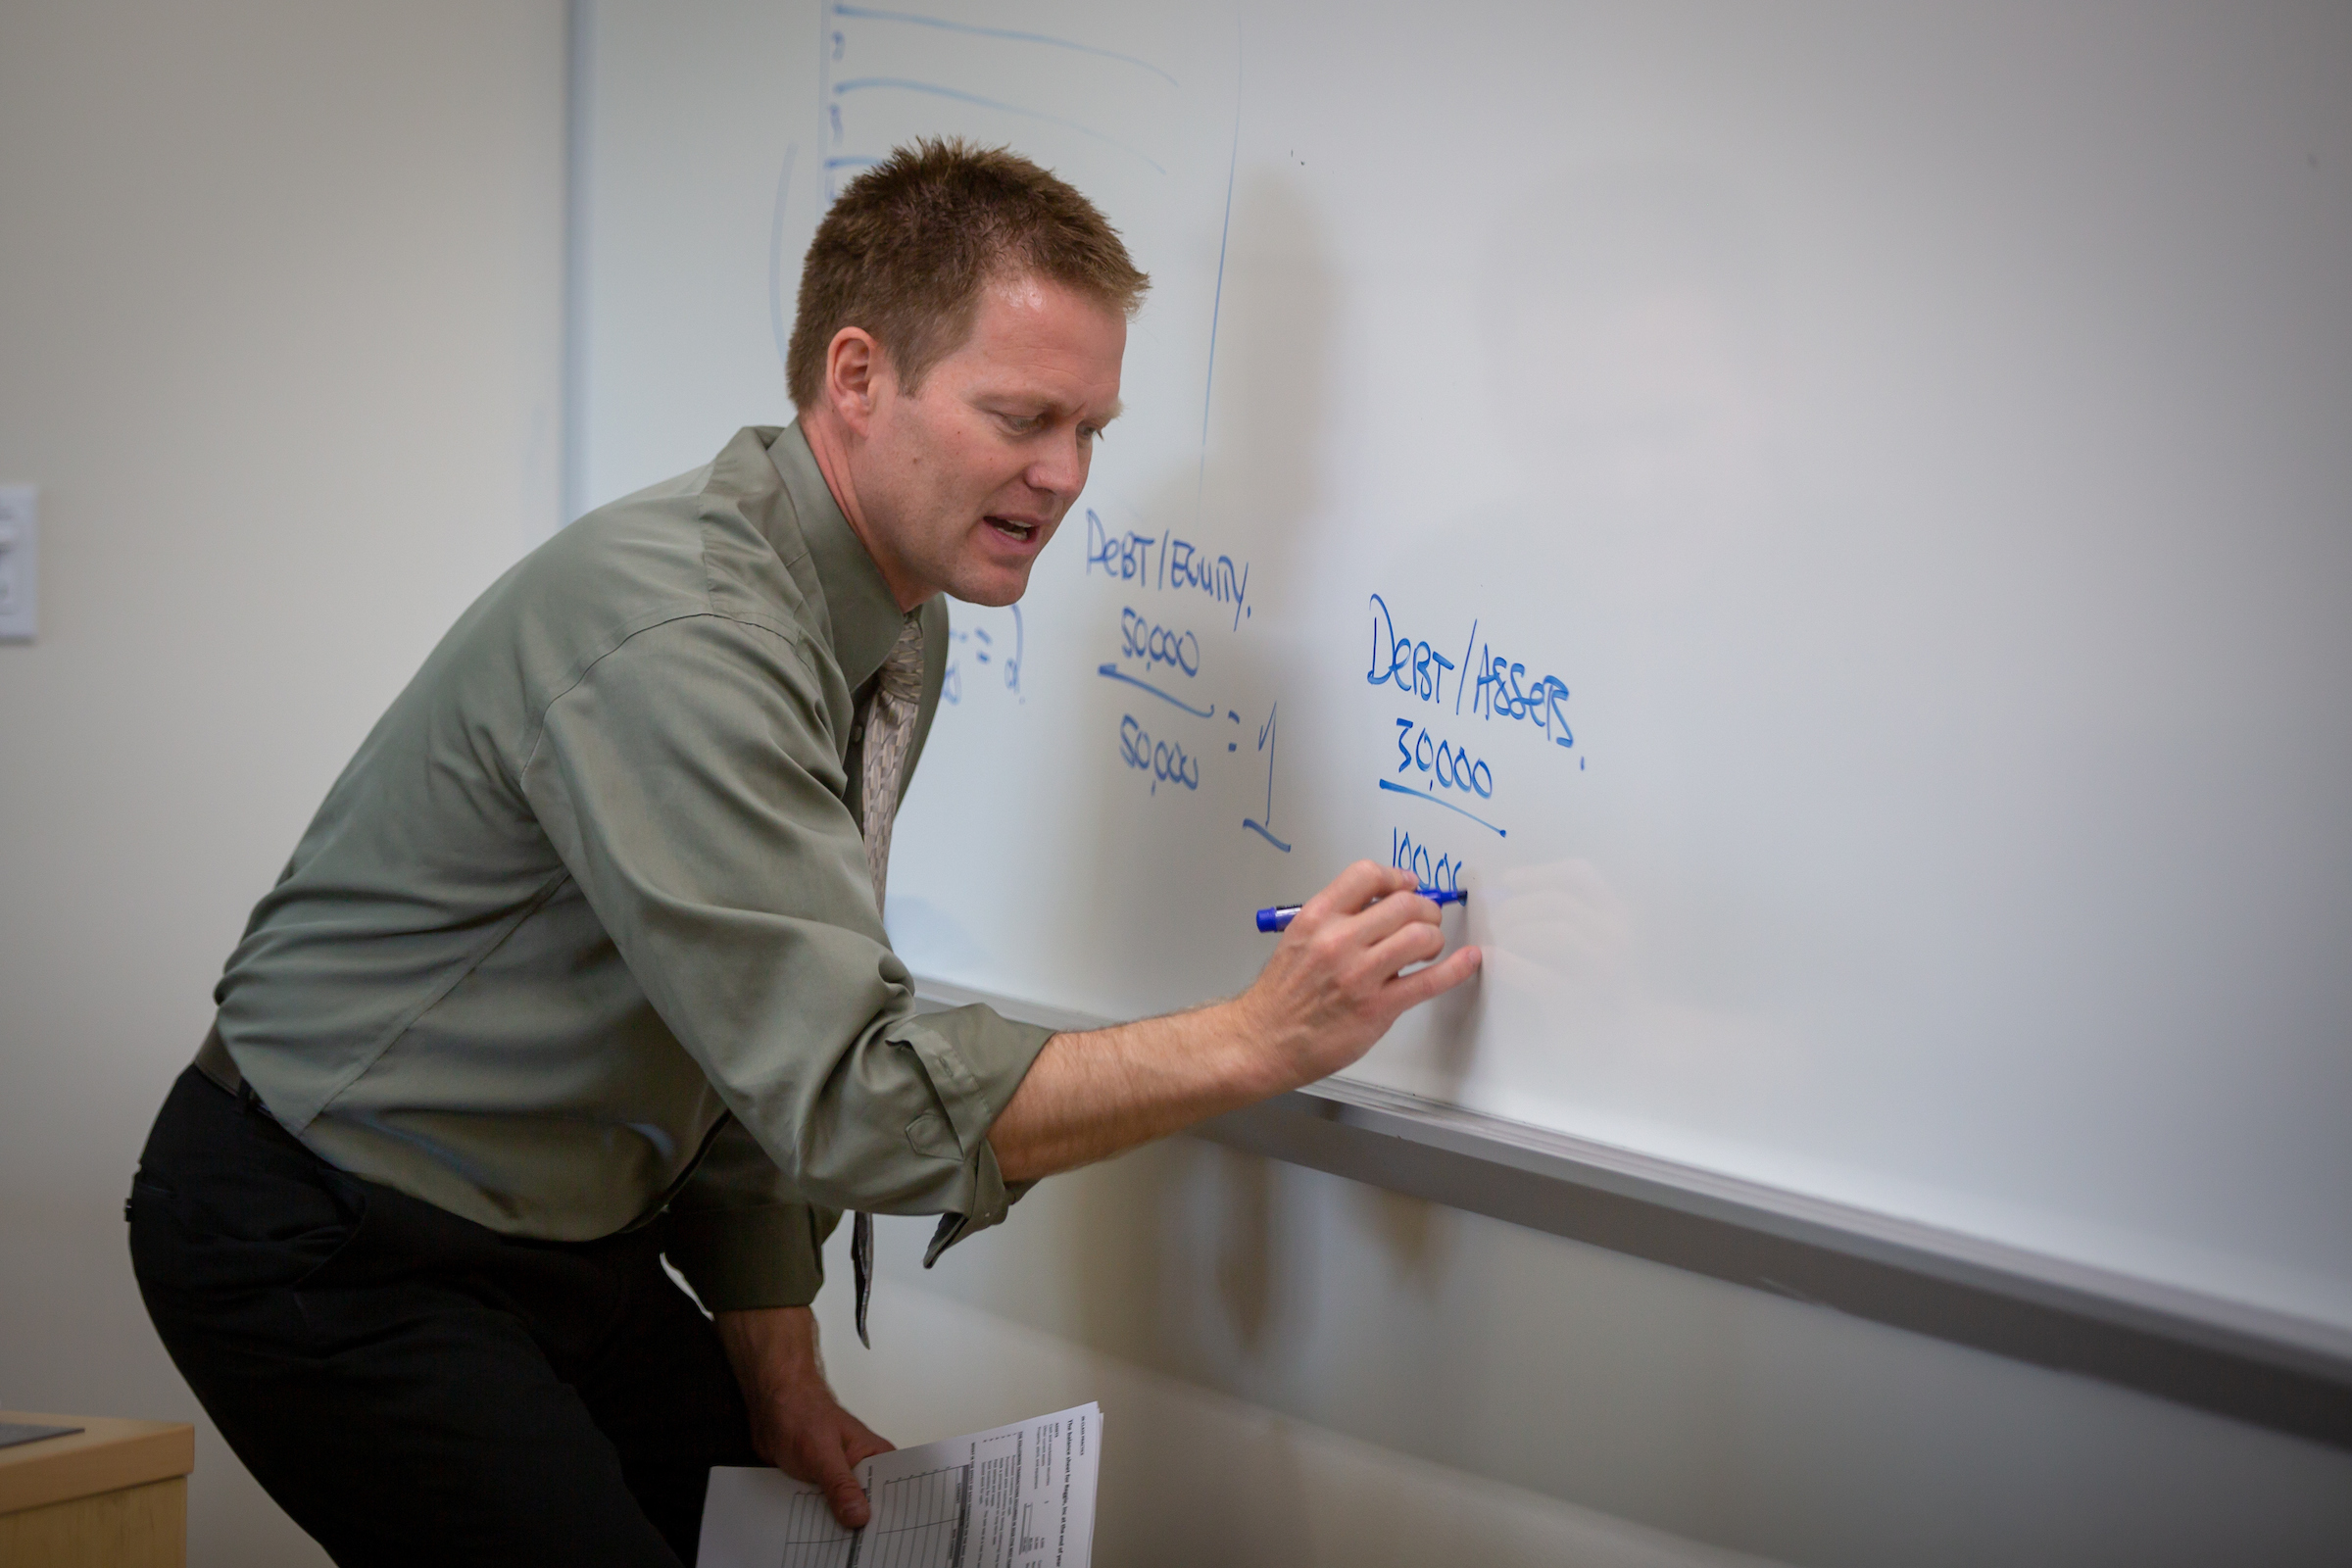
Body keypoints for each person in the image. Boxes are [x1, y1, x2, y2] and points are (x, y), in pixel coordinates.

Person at [126, 138, 1481, 1567]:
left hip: (560, 1231)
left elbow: (753, 1035)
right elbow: (846, 1089)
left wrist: (780, 1381)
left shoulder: (898, 609)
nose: (1066, 473)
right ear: (856, 378)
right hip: (328, 1233)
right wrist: (1260, 1040)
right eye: (1022, 415)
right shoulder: (692, 639)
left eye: (1093, 427)